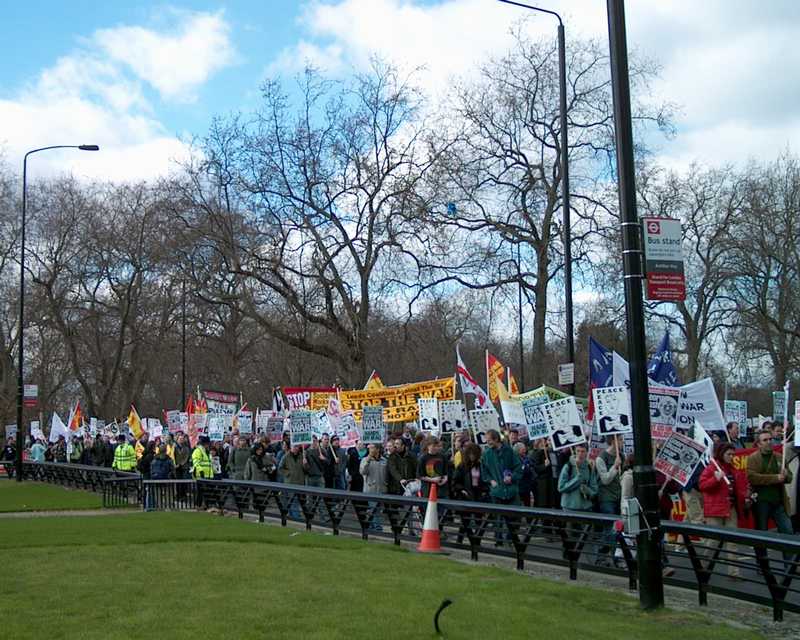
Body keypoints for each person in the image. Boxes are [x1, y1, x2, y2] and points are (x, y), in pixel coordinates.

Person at [699, 442, 747, 578]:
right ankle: (703, 566)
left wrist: (746, 497)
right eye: (728, 454)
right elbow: (702, 485)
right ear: (721, 454)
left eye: (733, 454)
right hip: (715, 510)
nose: (731, 457)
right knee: (713, 542)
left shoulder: (733, 469)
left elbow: (737, 489)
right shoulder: (711, 468)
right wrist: (715, 478)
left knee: (732, 541)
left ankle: (734, 572)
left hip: (730, 508)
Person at [747, 429, 793, 538]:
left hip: (779, 502)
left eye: (770, 439)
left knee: (788, 531)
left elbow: (790, 478)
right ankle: (761, 555)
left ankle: (789, 555)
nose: (769, 442)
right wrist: (775, 478)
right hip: (761, 502)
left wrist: (786, 475)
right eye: (765, 440)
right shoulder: (753, 458)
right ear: (758, 444)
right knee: (761, 534)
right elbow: (752, 478)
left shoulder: (779, 457)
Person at [594, 436, 623, 567]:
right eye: (621, 440)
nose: (623, 443)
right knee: (609, 530)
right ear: (613, 441)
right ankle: (601, 556)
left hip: (619, 497)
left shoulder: (621, 455)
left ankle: (615, 557)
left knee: (618, 529)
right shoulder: (601, 458)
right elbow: (605, 479)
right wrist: (615, 467)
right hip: (606, 498)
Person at [481, 429, 522, 505]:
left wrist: (512, 477)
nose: (487, 443)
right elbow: (484, 471)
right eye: (486, 441)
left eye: (489, 440)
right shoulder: (486, 454)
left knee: (515, 515)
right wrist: (490, 480)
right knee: (499, 516)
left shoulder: (509, 451)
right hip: (497, 493)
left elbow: (518, 468)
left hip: (511, 492)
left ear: (496, 439)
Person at [557, 443, 598, 512]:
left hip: (585, 508)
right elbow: (561, 487)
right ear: (574, 451)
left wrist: (587, 490)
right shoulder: (568, 466)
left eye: (582, 451)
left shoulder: (589, 468)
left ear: (586, 453)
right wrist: (576, 480)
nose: (580, 454)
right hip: (569, 507)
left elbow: (594, 489)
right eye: (578, 451)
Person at [360, 443, 388, 532]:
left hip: (382, 489)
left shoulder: (384, 460)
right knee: (374, 510)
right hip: (370, 489)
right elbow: (362, 472)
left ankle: (371, 526)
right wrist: (368, 460)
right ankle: (378, 529)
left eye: (372, 447)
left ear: (378, 449)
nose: (370, 449)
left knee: (376, 510)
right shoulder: (365, 460)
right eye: (369, 448)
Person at [515, 442, 535, 507]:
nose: (525, 451)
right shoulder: (515, 459)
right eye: (522, 449)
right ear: (518, 450)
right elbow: (521, 470)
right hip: (520, 486)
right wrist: (525, 466)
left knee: (527, 503)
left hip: (527, 485)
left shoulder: (526, 457)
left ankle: (528, 517)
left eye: (524, 449)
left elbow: (532, 465)